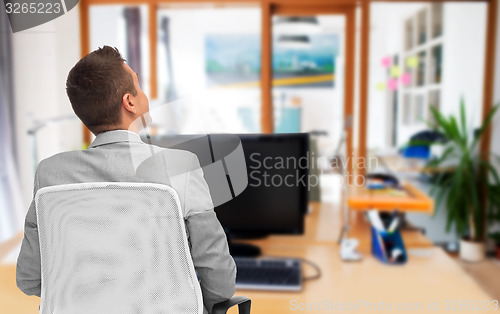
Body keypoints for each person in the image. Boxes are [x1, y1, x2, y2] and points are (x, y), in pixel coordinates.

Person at [16, 46, 236, 313]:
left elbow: (29, 279)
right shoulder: (181, 166)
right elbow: (218, 277)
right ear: (130, 102)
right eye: (139, 87)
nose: (145, 96)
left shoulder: (50, 173)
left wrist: (92, 297)